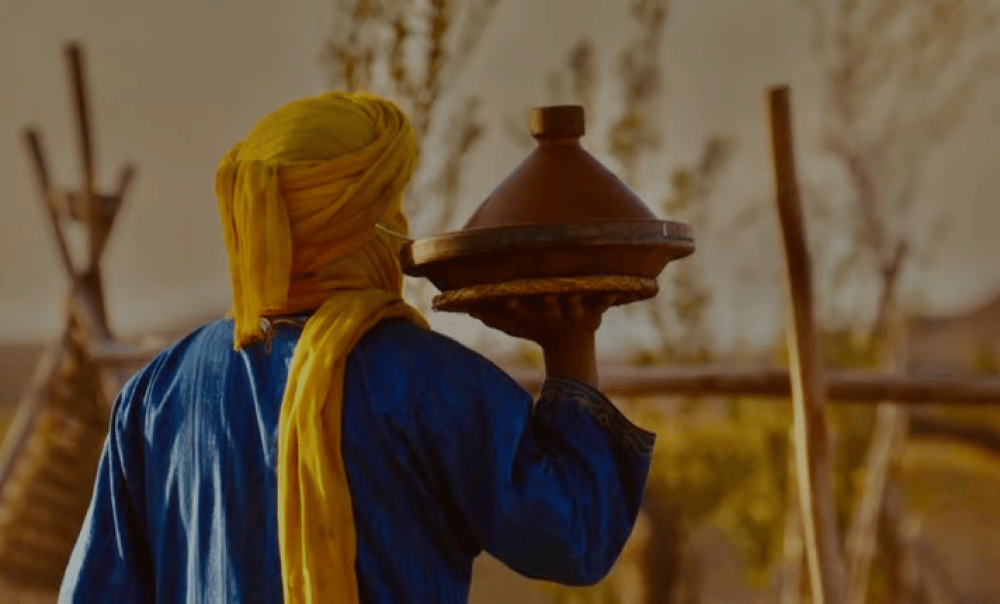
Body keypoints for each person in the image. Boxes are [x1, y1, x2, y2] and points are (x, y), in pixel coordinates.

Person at [58, 92, 655, 604]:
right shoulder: (427, 386)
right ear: (363, 219)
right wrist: (571, 346)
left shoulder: (159, 395)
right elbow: (572, 537)